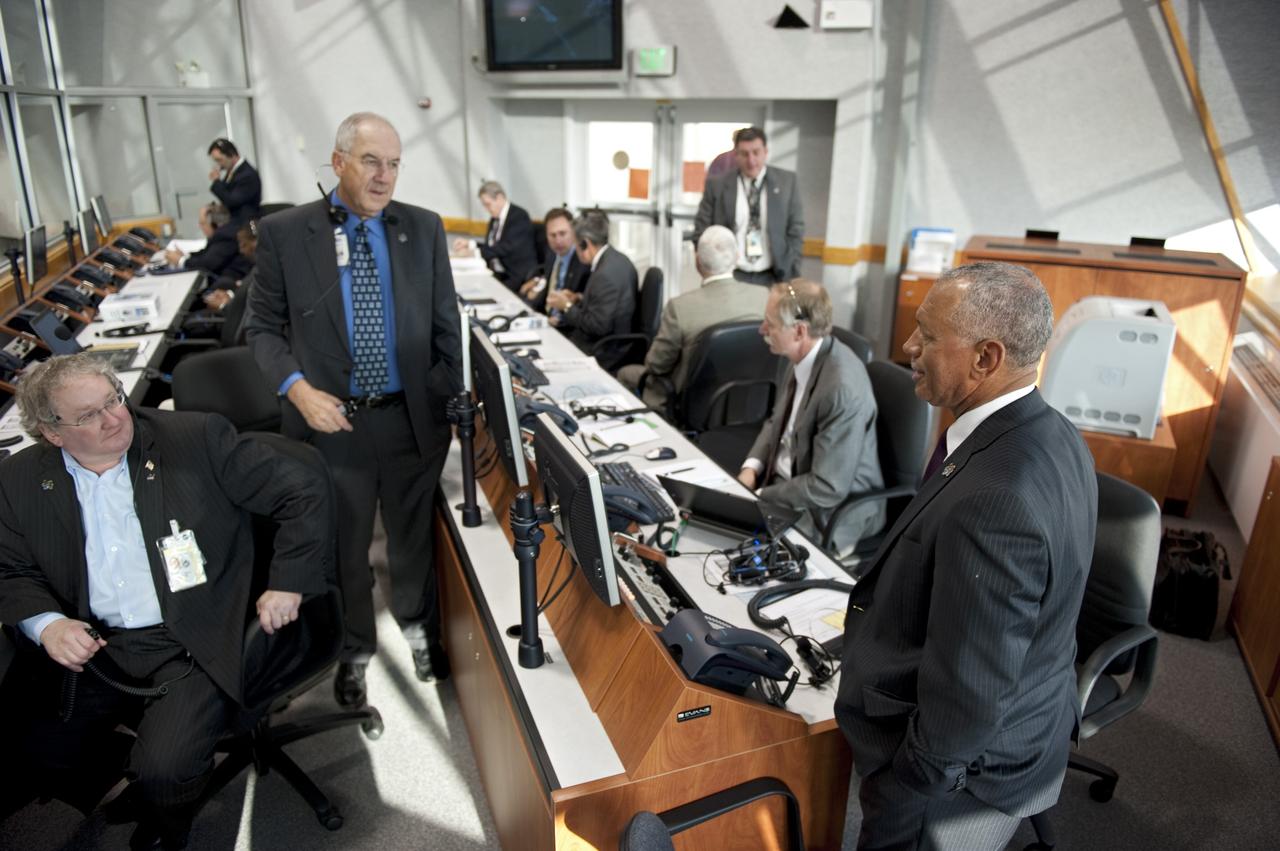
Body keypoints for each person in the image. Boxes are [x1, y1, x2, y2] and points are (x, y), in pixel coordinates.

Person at [0, 354, 328, 849]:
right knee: (29, 747)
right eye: (89, 415)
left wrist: (288, 580)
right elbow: (11, 568)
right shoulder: (20, 478)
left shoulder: (193, 438)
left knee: (166, 770)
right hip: (94, 640)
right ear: (52, 433)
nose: (114, 418)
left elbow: (302, 492)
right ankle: (126, 780)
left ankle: (165, 816)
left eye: (114, 400)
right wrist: (47, 624)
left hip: (188, 637)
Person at [835, 262, 1098, 850]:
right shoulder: (1055, 432)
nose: (908, 346)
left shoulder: (996, 502)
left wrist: (906, 792)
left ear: (986, 359)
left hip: (951, 782)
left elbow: (967, 698)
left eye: (927, 335)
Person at [244, 112, 463, 710]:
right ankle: (356, 649)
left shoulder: (423, 228)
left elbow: (448, 325)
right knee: (346, 549)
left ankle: (419, 629)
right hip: (331, 420)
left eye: (394, 164)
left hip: (411, 419)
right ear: (338, 161)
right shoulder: (287, 233)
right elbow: (260, 328)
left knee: (412, 541)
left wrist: (459, 396)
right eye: (371, 161)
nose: (384, 175)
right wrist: (297, 388)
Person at [737, 279, 884, 552]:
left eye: (770, 323)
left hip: (829, 511)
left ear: (799, 331)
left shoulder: (840, 388)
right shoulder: (797, 357)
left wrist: (759, 495)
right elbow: (776, 421)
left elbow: (827, 487)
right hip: (787, 486)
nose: (762, 329)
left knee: (739, 554)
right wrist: (751, 469)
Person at [617, 225, 768, 410]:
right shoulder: (763, 298)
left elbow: (656, 365)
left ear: (698, 262)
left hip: (691, 403)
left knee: (625, 373)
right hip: (747, 401)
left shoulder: (680, 308)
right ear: (737, 257)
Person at [692, 126, 804, 285]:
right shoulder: (716, 185)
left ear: (766, 151)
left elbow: (796, 229)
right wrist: (709, 267)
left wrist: (792, 265)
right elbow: (701, 230)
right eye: (744, 154)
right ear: (736, 155)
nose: (751, 161)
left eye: (756, 152)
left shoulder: (787, 182)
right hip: (730, 275)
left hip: (773, 275)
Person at [546, 208, 636, 373]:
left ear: (584, 243)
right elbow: (605, 304)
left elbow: (596, 326)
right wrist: (578, 298)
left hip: (605, 350)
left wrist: (566, 306)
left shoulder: (604, 275)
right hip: (611, 341)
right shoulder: (615, 259)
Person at [451, 180, 538, 291]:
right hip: (498, 272)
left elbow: (505, 248)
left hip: (516, 274)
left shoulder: (519, 216)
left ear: (500, 197)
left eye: (488, 204)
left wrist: (474, 253)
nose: (487, 209)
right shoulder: (494, 220)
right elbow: (491, 247)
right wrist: (470, 244)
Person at [516, 207, 590, 315]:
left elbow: (584, 305)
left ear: (574, 232)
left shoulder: (583, 261)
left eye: (562, 233)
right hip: (545, 316)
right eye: (552, 235)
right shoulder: (551, 253)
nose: (558, 240)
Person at [164, 203, 250, 279]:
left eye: (202, 223)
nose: (201, 227)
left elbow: (207, 264)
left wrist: (180, 260)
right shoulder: (225, 231)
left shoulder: (225, 236)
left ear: (215, 224)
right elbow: (206, 254)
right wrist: (186, 256)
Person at [207, 138, 262, 224]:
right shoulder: (233, 172)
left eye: (219, 160)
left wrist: (217, 182)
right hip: (235, 219)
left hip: (246, 224)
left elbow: (232, 201)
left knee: (217, 236)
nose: (218, 164)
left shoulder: (247, 174)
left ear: (232, 154)